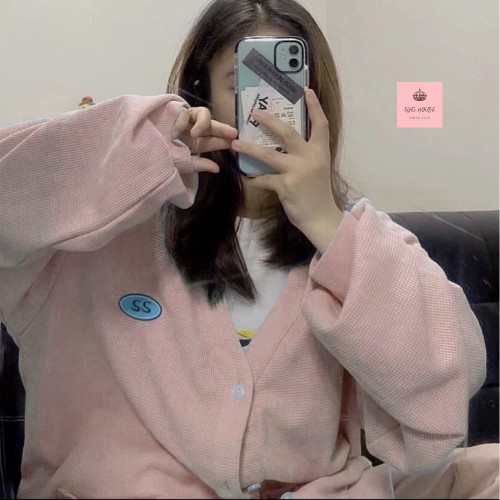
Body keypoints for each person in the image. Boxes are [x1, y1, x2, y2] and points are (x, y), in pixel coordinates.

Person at [0, 0, 498, 498]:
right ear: (202, 94)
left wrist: (327, 223)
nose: (267, 110)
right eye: (244, 86)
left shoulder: (357, 240)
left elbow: (443, 401)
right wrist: (142, 141)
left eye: (287, 90)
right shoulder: (106, 226)